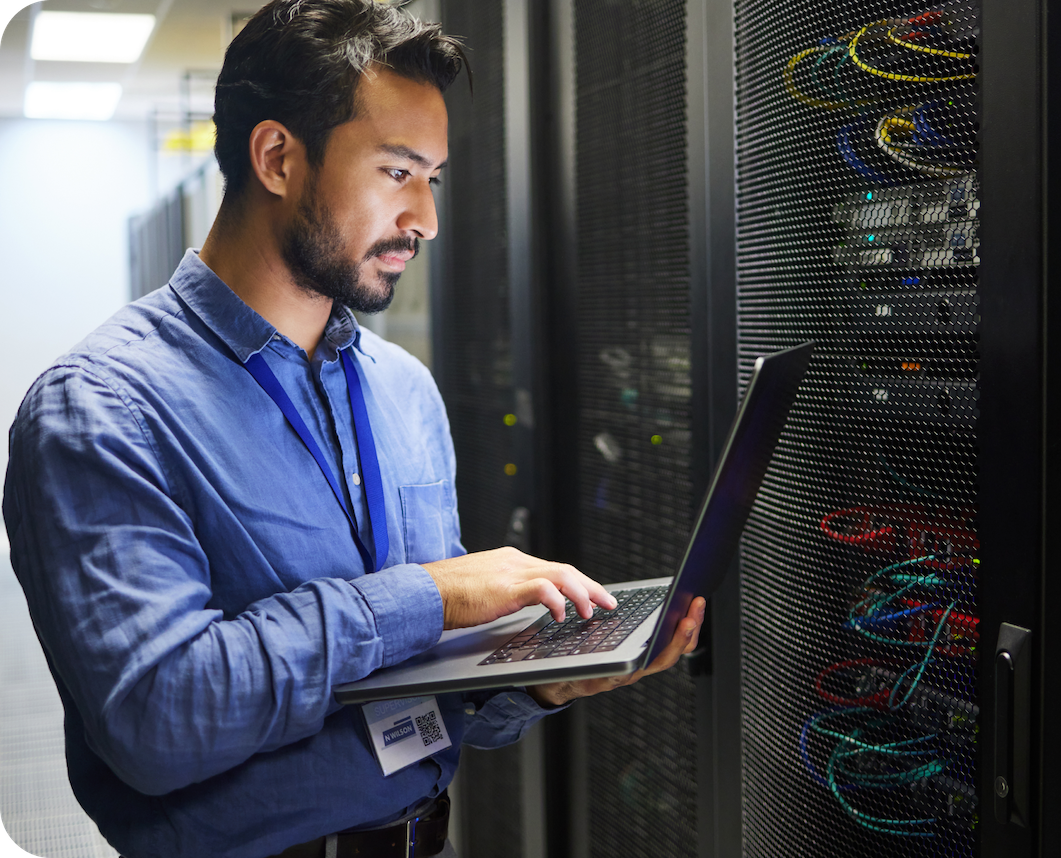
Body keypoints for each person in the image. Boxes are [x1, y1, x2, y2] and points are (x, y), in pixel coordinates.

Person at [1, 1, 706, 857]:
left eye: (433, 179)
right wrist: (433, 595)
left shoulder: (403, 390)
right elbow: (158, 719)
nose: (427, 221)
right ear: (276, 157)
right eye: (397, 173)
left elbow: (430, 684)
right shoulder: (103, 408)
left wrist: (539, 684)